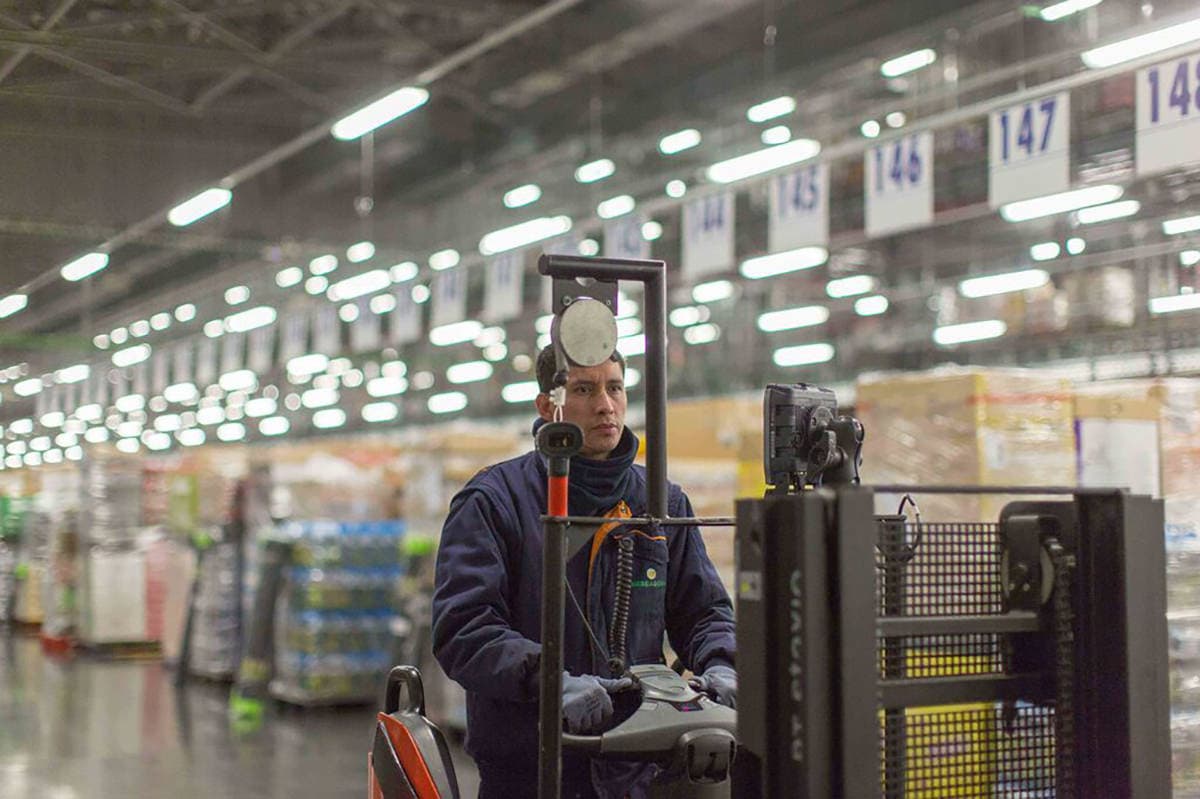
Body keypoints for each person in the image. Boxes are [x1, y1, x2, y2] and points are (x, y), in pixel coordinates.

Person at [432, 345, 737, 799]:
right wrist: (550, 681)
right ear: (546, 406)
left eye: (615, 388)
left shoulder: (661, 503)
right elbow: (464, 629)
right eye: (583, 390)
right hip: (530, 772)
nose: (605, 405)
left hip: (637, 767)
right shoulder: (495, 500)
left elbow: (704, 611)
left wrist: (723, 664)